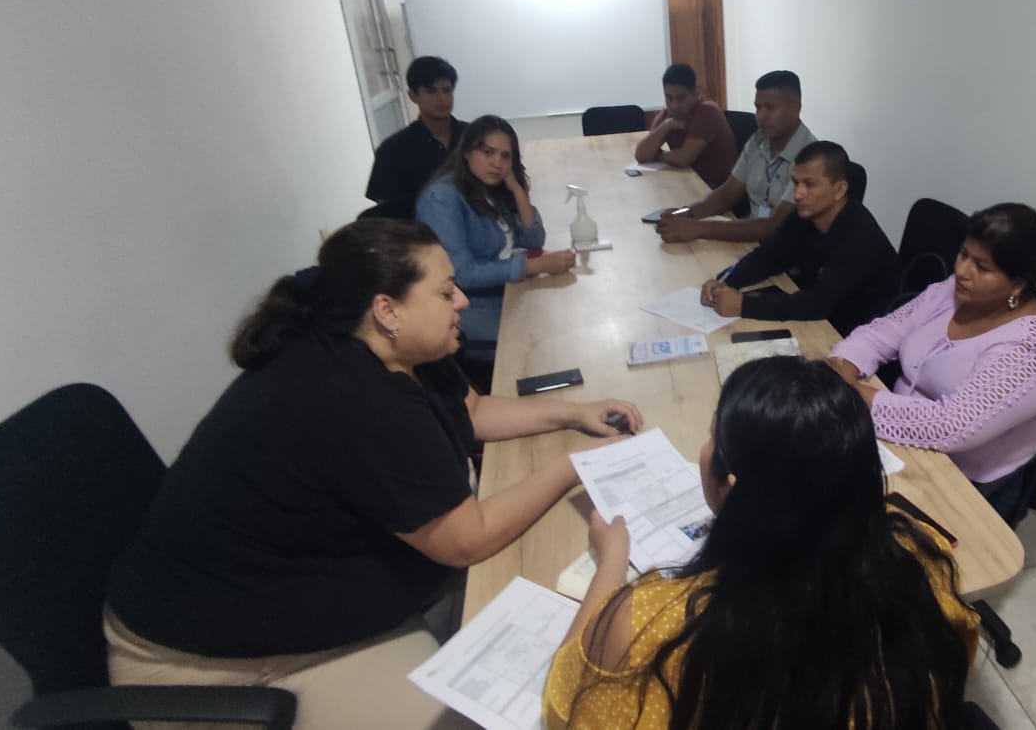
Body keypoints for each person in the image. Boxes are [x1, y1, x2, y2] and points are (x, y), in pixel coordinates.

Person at [104, 218, 641, 730]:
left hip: (305, 593)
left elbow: (472, 412)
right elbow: (466, 540)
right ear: (388, 309)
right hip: (219, 662)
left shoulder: (394, 342)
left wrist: (573, 413)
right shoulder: (350, 393)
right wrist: (572, 466)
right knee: (503, 715)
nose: (460, 301)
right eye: (445, 291)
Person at [544, 356, 978, 730]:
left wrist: (611, 559)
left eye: (713, 436)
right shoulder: (926, 558)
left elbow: (563, 708)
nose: (705, 448)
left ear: (735, 491)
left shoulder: (658, 622)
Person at [828, 203, 1036, 520]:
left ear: (1018, 284)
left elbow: (949, 426)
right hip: (893, 439)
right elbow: (883, 331)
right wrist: (843, 366)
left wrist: (854, 394)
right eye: (964, 254)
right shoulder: (954, 291)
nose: (963, 271)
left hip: (958, 478)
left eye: (982, 267)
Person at [699, 141, 900, 336]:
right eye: (795, 183)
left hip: (856, 330)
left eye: (809, 184)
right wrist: (727, 281)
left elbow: (818, 304)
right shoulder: (805, 214)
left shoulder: (860, 237)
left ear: (839, 190)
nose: (797, 194)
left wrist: (743, 305)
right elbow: (769, 255)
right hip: (821, 316)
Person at [416, 116, 576, 343]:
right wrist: (534, 266)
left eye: (505, 156)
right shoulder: (442, 200)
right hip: (471, 309)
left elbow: (533, 241)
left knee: (568, 319)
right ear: (466, 152)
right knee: (549, 337)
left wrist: (518, 191)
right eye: (487, 152)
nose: (497, 163)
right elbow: (463, 274)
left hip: (508, 291)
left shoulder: (490, 187)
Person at [655, 70, 816, 244]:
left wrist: (698, 228)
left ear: (796, 108)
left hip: (784, 248)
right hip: (749, 238)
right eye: (758, 107)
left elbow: (775, 225)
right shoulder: (758, 140)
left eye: (770, 108)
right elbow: (728, 193)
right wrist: (687, 213)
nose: (760, 116)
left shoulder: (810, 158)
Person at [366, 56, 468, 217]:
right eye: (431, 91)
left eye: (447, 90)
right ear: (412, 96)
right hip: (422, 229)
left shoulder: (473, 137)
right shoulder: (392, 150)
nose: (441, 98)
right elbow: (388, 213)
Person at [632, 63, 738, 188]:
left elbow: (683, 159)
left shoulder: (708, 112)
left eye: (681, 98)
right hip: (690, 181)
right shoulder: (668, 115)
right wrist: (667, 125)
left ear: (695, 93)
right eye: (669, 98)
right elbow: (641, 155)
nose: (674, 106)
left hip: (718, 189)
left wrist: (657, 155)